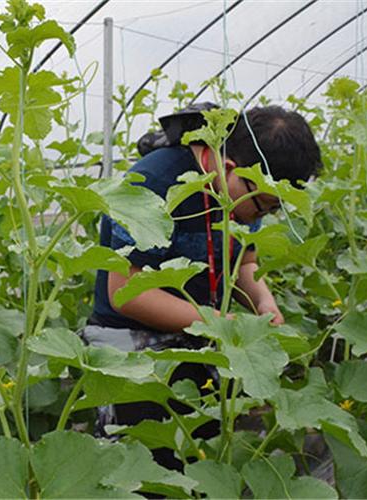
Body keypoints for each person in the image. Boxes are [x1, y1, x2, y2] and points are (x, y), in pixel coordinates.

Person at [83, 103, 322, 470]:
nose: (263, 215)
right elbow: (126, 293)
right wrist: (215, 321)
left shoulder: (243, 190)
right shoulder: (153, 183)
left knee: (203, 466)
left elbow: (244, 261)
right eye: (263, 207)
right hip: (132, 347)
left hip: (199, 335)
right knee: (142, 472)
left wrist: (263, 303)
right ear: (230, 169)